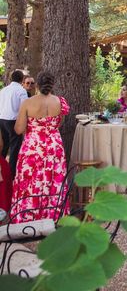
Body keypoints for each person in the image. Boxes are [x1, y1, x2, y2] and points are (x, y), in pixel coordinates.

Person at [11, 71, 69, 222]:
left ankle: (29, 216)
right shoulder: (60, 101)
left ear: (37, 84)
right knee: (53, 181)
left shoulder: (28, 103)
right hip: (54, 146)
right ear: (52, 85)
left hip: (33, 147)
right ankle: (53, 216)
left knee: (30, 180)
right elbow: (58, 125)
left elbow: (18, 129)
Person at [0, 70, 29, 177]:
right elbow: (25, 108)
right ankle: (11, 174)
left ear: (11, 78)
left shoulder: (3, 90)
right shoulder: (21, 91)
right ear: (22, 79)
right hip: (12, 121)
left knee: (3, 146)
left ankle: (1, 169)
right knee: (14, 147)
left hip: (2, 119)